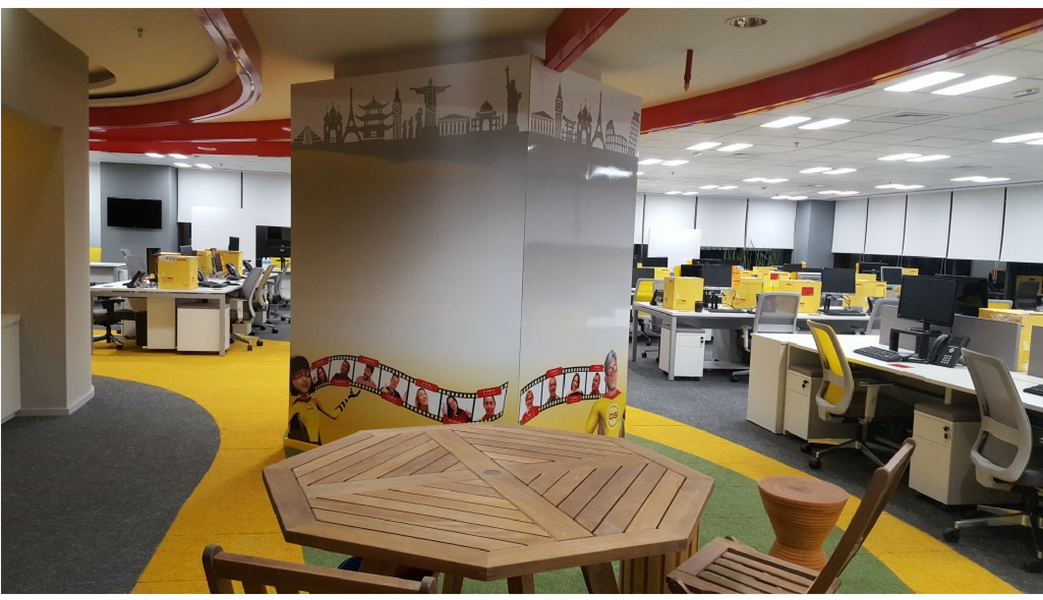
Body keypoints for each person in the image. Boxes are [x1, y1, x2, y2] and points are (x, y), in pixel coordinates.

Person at [287, 355, 352, 444]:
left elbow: (334, 414)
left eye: (307, 374)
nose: (304, 378)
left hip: (318, 446)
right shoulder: (296, 407)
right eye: (298, 375)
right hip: (305, 447)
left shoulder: (314, 401)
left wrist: (348, 398)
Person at [584, 350, 626, 437]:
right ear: (605, 379)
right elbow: (585, 433)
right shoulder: (599, 404)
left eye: (614, 369)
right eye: (609, 370)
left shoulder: (623, 398)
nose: (613, 374)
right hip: (605, 445)